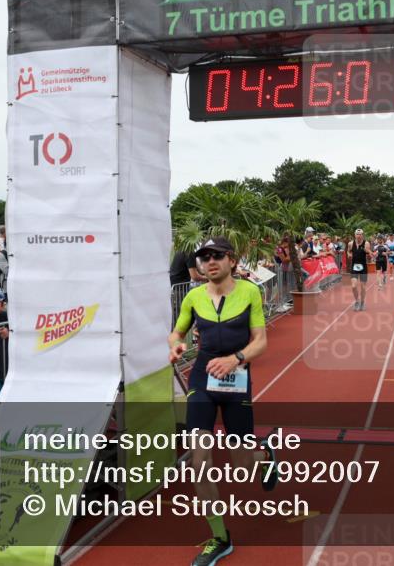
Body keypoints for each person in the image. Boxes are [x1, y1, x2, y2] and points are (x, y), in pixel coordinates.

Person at [167, 237, 276, 566]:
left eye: (216, 256)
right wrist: (175, 344)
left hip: (237, 377)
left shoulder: (249, 292)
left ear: (231, 259)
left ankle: (263, 455)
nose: (209, 261)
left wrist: (236, 358)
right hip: (202, 379)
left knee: (242, 463)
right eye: (204, 257)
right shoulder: (194, 296)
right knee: (199, 462)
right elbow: (178, 332)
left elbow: (261, 341)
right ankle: (220, 538)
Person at [348, 229, 372, 311]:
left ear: (362, 235)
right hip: (354, 266)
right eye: (357, 234)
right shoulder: (351, 244)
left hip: (363, 267)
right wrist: (349, 255)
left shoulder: (366, 243)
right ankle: (357, 301)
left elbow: (369, 255)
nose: (359, 235)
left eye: (360, 234)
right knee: (354, 286)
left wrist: (369, 255)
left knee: (363, 287)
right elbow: (349, 252)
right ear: (354, 235)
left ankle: (362, 302)